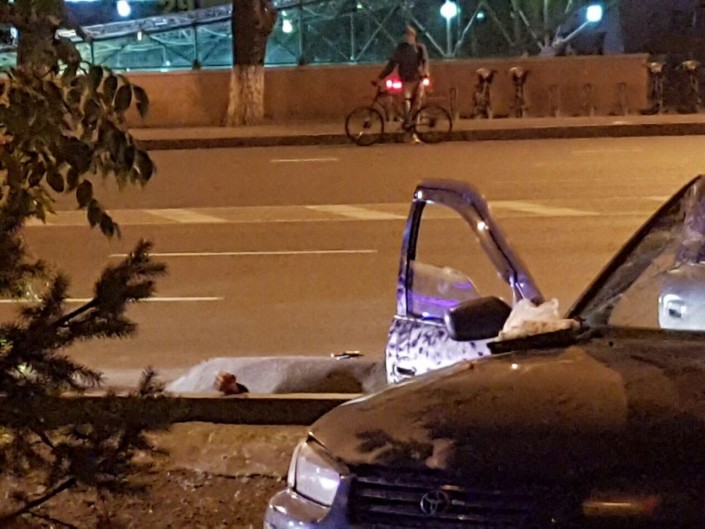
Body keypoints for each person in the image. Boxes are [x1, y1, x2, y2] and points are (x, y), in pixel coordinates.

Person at [374, 25, 429, 136]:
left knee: (416, 104)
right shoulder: (400, 49)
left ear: (414, 36)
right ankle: (408, 125)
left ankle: (414, 129)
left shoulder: (419, 48)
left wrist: (425, 72)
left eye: (410, 34)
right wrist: (380, 77)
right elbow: (391, 64)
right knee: (405, 103)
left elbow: (425, 61)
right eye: (406, 34)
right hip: (405, 79)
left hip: (417, 79)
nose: (408, 36)